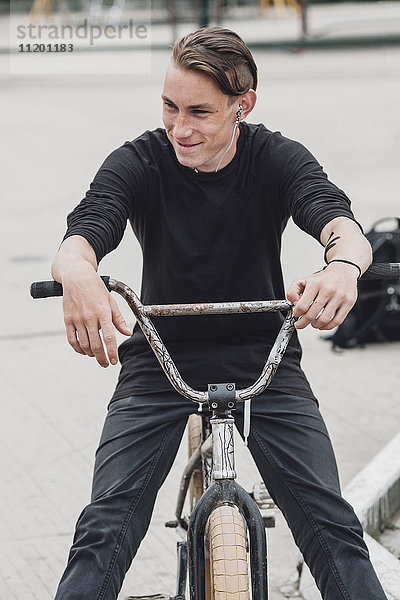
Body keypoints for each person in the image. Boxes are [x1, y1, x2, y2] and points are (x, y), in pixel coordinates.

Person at [51, 27, 387, 600]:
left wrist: (343, 268)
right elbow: (84, 234)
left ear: (243, 105)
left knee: (334, 529)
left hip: (265, 357)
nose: (180, 128)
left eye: (200, 112)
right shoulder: (140, 161)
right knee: (103, 530)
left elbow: (341, 226)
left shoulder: (275, 157)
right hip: (158, 360)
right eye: (169, 106)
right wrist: (79, 275)